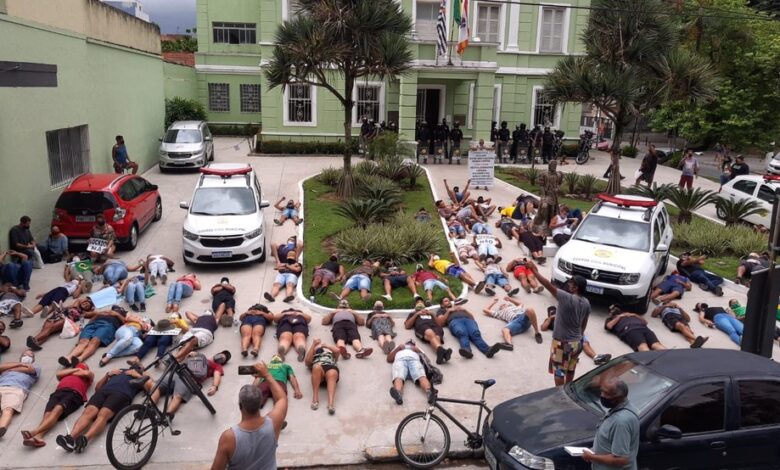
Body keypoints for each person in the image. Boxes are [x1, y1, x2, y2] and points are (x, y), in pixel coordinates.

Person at [56, 365, 151, 453]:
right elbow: (97, 388)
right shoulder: (119, 371)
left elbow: (149, 387)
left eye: (139, 367)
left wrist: (138, 375)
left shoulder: (141, 375)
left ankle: (85, 438)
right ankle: (70, 438)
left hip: (121, 393)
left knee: (103, 414)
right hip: (102, 392)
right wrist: (107, 375)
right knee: (88, 412)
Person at [211, 364, 287, 470]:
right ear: (260, 401)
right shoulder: (274, 422)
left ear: (240, 406)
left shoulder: (229, 438)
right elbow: (282, 398)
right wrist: (267, 375)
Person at [527, 260, 591, 386]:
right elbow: (584, 324)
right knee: (570, 369)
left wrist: (534, 271)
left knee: (559, 371)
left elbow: (547, 284)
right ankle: (568, 390)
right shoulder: (586, 303)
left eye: (571, 282)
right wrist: (579, 337)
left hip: (563, 343)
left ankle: (560, 395)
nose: (569, 284)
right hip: (577, 343)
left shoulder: (566, 298)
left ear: (575, 287)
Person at [21, 363, 94, 448]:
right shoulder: (69, 373)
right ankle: (39, 437)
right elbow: (58, 374)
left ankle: (34, 432)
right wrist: (75, 370)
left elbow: (87, 374)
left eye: (83, 366)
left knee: (57, 410)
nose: (80, 367)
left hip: (74, 393)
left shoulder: (87, 377)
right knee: (47, 414)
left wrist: (75, 372)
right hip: (58, 392)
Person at [152, 351, 230, 420]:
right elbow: (187, 359)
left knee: (178, 396)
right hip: (178, 372)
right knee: (157, 387)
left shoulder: (217, 366)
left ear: (223, 363)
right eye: (221, 355)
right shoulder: (202, 356)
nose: (220, 357)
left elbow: (217, 375)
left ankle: (167, 416)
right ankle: (148, 408)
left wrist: (214, 386)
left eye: (223, 358)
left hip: (189, 380)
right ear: (217, 354)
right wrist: (191, 354)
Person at [582, 379, 639, 470]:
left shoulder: (621, 422)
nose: (602, 396)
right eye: (602, 391)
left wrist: (592, 457)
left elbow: (621, 459)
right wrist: (593, 451)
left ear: (619, 397)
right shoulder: (620, 409)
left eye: (607, 393)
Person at [57, 305, 127, 368]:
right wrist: (98, 314)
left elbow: (126, 323)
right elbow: (91, 320)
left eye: (118, 310)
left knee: (95, 341)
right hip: (92, 324)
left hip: (108, 325)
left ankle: (80, 359)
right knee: (83, 341)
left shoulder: (122, 315)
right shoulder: (105, 312)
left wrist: (117, 314)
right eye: (114, 309)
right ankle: (68, 358)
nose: (115, 310)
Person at [541, 306, 611, 366]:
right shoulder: (549, 321)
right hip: (564, 335)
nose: (554, 314)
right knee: (566, 342)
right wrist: (550, 318)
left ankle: (596, 357)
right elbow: (543, 328)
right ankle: (570, 358)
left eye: (555, 311)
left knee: (585, 343)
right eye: (552, 312)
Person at [435, 298, 501, 359]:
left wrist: (465, 310)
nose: (449, 301)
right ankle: (467, 350)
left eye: (449, 300)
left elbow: (472, 318)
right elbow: (440, 323)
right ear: (442, 305)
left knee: (475, 333)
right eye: (446, 301)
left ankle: (488, 351)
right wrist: (448, 311)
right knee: (462, 333)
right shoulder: (441, 310)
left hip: (469, 320)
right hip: (455, 321)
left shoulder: (458, 307)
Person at [26, 298, 94, 351]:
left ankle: (34, 339)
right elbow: (79, 300)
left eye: (87, 306)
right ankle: (36, 344)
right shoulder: (74, 305)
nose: (85, 305)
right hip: (55, 316)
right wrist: (88, 300)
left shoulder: (83, 313)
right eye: (85, 303)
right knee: (46, 330)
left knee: (50, 328)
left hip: (64, 319)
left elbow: (96, 313)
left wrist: (92, 308)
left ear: (88, 310)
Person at [0, 350, 40, 437]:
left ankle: (1, 428)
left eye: (30, 355)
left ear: (33, 360)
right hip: (1, 386)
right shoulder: (14, 364)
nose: (27, 356)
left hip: (16, 389)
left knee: (8, 409)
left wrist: (9, 369)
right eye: (25, 355)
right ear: (20, 358)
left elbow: (29, 369)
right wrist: (20, 364)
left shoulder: (36, 368)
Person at [405, 298, 453, 364]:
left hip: (435, 326)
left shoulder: (429, 313)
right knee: (430, 332)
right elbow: (407, 326)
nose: (420, 303)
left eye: (421, 302)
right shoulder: (413, 314)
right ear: (415, 306)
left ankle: (440, 355)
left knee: (437, 337)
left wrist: (432, 314)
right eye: (418, 302)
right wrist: (417, 314)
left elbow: (440, 324)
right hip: (422, 326)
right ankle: (443, 351)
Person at [387, 339, 433, 405]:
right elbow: (389, 359)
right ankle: (398, 394)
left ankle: (429, 393)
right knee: (399, 376)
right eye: (408, 343)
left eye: (411, 343)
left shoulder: (417, 349)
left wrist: (419, 351)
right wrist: (398, 348)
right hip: (400, 360)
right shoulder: (398, 347)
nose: (409, 344)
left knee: (421, 376)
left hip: (414, 360)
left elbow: (427, 360)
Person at [305, 338, 340, 415]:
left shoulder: (330, 354)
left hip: (330, 366)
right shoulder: (313, 356)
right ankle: (315, 399)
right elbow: (307, 362)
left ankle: (330, 405)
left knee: (332, 373)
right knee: (316, 367)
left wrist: (326, 346)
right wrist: (313, 345)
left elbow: (337, 351)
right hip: (319, 369)